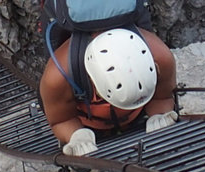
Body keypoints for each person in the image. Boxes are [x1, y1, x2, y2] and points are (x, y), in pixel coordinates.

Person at [39, 25, 179, 156]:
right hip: (87, 121)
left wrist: (159, 114)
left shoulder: (160, 57)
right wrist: (75, 135)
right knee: (83, 164)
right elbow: (61, 119)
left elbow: (162, 96)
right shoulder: (57, 77)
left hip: (138, 113)